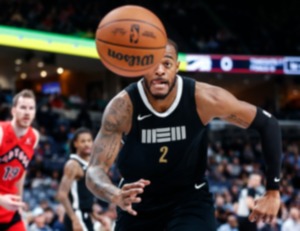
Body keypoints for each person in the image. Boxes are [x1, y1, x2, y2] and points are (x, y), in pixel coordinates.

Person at [85, 39, 282, 231]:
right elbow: (94, 170)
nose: (159, 70)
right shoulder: (122, 107)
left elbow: (268, 123)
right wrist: (115, 194)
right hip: (137, 202)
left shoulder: (204, 98)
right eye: (151, 63)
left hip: (189, 199)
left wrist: (273, 191)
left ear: (176, 67)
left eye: (167, 63)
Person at [0, 89, 39, 231]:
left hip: (10, 209)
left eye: (31, 108)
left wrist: (19, 201)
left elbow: (21, 173)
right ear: (13, 111)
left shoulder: (34, 136)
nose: (27, 112)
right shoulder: (1, 132)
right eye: (23, 107)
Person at [57, 127, 110, 231]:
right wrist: (74, 219)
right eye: (83, 141)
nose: (87, 144)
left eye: (89, 140)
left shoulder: (90, 164)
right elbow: (62, 195)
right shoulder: (73, 164)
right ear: (75, 144)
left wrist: (95, 216)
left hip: (86, 215)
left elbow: (84, 196)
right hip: (76, 215)